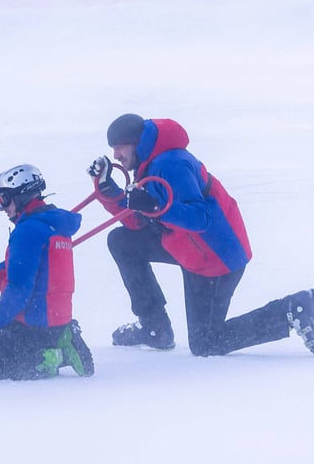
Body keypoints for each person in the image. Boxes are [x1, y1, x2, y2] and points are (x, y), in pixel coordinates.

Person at [88, 113, 314, 356]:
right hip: (187, 248)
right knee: (122, 241)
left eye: (120, 148)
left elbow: (200, 218)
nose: (116, 156)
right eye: (113, 149)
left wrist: (154, 206)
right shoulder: (148, 164)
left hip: (215, 257)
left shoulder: (171, 164)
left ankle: (296, 308)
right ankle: (154, 327)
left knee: (207, 343)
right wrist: (107, 189)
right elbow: (137, 220)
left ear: (137, 144)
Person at [0, 165, 94, 381]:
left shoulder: (28, 229)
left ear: (22, 195)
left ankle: (48, 357)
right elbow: (17, 266)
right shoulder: (52, 223)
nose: (2, 208)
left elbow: (18, 290)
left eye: (4, 200)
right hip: (52, 321)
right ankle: (63, 337)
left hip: (33, 326)